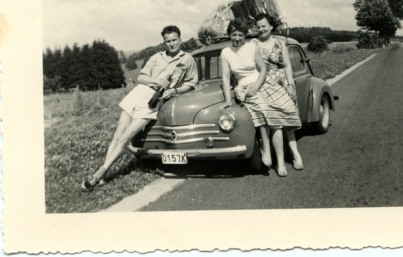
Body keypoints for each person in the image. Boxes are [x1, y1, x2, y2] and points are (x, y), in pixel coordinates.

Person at [82, 25, 198, 190]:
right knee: (117, 135)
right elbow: (141, 77)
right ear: (164, 42)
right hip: (138, 94)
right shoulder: (156, 57)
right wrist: (157, 81)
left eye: (174, 40)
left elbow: (192, 84)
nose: (172, 44)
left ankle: (99, 174)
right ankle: (103, 175)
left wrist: (173, 90)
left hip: (153, 101)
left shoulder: (188, 59)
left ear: (180, 39)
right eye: (168, 41)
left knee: (125, 138)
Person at [219, 19, 301, 177]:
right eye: (233, 35)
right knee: (264, 110)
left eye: (240, 35)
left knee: (281, 114)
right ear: (229, 35)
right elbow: (225, 77)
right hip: (244, 87)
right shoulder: (225, 52)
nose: (237, 38)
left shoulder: (252, 47)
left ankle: (283, 160)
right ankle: (266, 148)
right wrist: (228, 100)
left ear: (245, 35)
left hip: (261, 83)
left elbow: (263, 70)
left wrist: (256, 86)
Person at [252, 13, 304, 171]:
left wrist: (290, 84)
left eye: (264, 26)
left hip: (282, 83)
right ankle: (280, 162)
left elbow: (287, 65)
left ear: (271, 26)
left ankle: (296, 154)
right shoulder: (254, 43)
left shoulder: (280, 42)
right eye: (258, 26)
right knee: (275, 124)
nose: (261, 29)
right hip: (265, 86)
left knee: (288, 121)